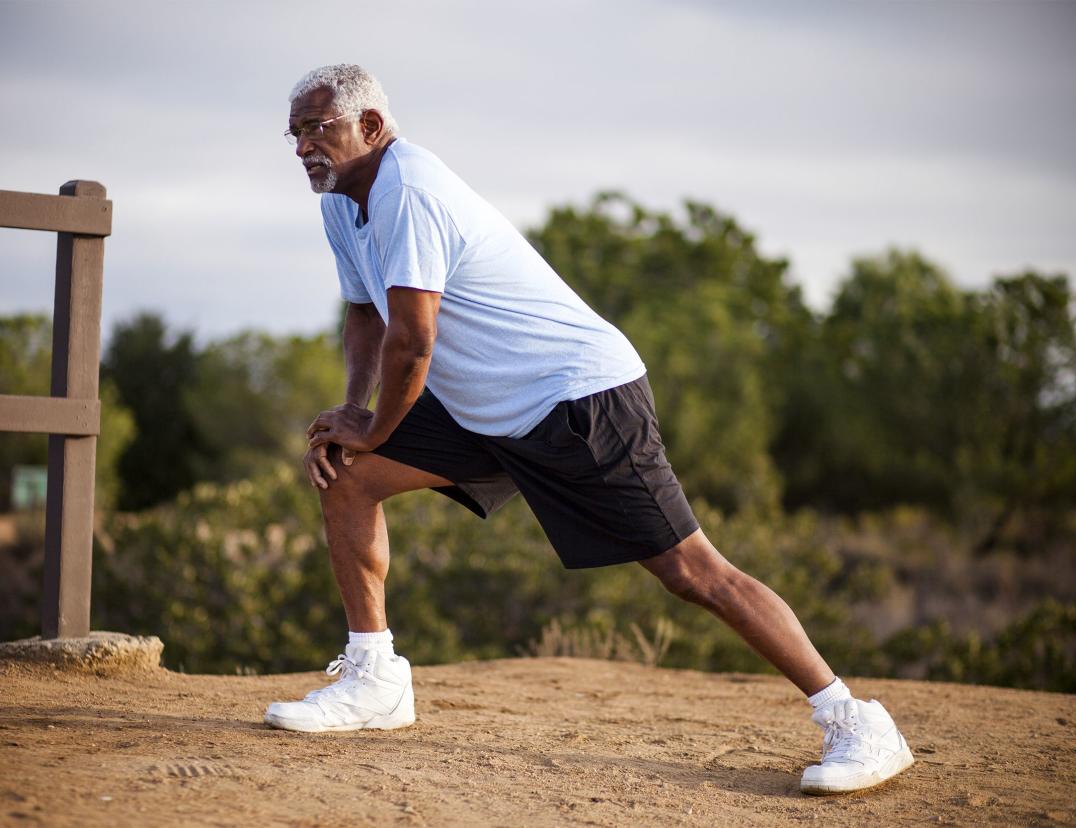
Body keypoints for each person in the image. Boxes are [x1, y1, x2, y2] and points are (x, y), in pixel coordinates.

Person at [264, 63, 914, 796]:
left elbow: (412, 341)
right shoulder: (340, 203)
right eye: (295, 134)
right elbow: (365, 315)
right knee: (347, 477)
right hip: (484, 404)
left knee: (694, 574)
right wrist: (354, 415)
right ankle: (374, 679)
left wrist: (375, 425)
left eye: (317, 129)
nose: (302, 149)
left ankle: (857, 721)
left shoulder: (407, 191)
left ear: (372, 128)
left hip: (578, 397)